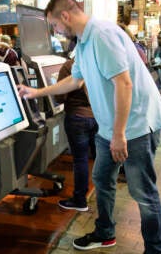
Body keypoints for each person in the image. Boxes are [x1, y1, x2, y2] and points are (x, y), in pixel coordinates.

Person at [17, 0, 161, 253]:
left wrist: (119, 135)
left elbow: (124, 83)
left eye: (54, 25)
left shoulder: (101, 35)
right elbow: (75, 80)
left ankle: (156, 249)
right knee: (101, 178)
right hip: (111, 127)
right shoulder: (83, 44)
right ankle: (105, 232)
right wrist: (36, 93)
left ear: (65, 16)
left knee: (143, 193)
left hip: (136, 127)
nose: (56, 30)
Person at [55, 57, 98, 212]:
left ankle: (80, 200)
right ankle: (103, 195)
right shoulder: (97, 61)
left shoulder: (69, 66)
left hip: (77, 118)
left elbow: (59, 96)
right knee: (99, 158)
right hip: (97, 117)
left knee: (80, 160)